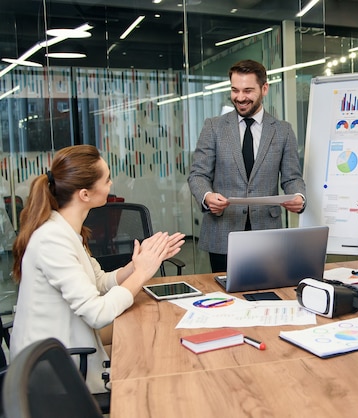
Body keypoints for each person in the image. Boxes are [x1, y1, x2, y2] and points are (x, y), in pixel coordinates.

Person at [10, 144, 185, 393]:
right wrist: (142, 273)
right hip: (55, 369)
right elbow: (97, 313)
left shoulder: (66, 229)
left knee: (152, 338)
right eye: (107, 179)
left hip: (65, 347)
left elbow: (99, 281)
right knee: (152, 354)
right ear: (84, 194)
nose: (111, 184)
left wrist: (135, 265)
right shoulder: (52, 239)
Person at [188, 59, 306, 272]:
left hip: (266, 232)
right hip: (223, 231)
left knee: (266, 293)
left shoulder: (283, 131)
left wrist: (299, 196)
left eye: (248, 90)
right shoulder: (214, 127)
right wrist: (206, 196)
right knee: (226, 297)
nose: (240, 97)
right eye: (235, 90)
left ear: (264, 89)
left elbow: (292, 177)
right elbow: (198, 174)